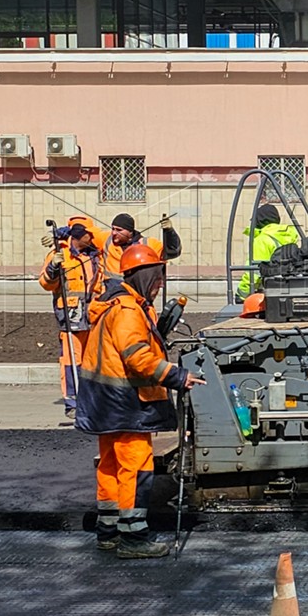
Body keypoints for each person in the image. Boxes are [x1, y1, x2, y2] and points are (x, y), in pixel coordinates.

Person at [75, 242, 205, 558]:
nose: (160, 284)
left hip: (103, 401)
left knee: (110, 466)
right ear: (143, 276)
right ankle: (133, 538)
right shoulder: (128, 311)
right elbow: (138, 359)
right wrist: (177, 376)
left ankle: (108, 531)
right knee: (135, 467)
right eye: (157, 277)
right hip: (124, 402)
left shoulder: (117, 305)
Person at [39, 217, 104, 416]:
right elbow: (46, 283)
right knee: (71, 360)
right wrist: (53, 268)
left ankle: (92, 400)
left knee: (91, 359)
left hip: (92, 315)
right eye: (88, 235)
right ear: (77, 236)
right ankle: (73, 403)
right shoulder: (60, 254)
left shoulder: (94, 256)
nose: (92, 238)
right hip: (70, 315)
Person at [239, 203, 300, 295]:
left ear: (259, 221)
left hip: (269, 290)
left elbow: (254, 273)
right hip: (289, 288)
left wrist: (242, 294)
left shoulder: (262, 240)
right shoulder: (289, 236)